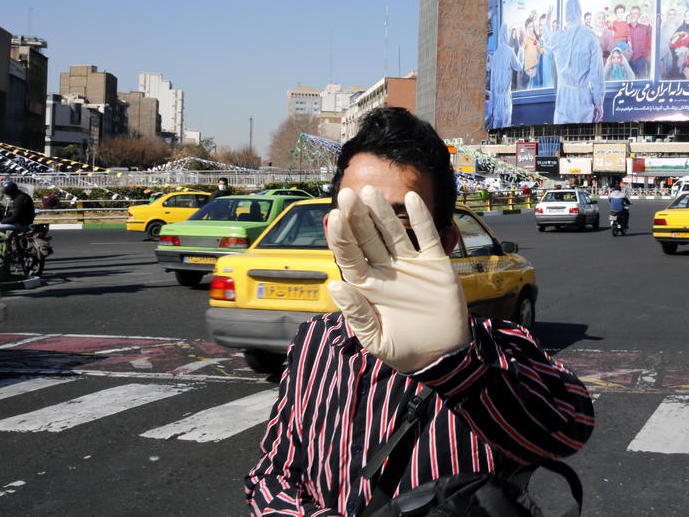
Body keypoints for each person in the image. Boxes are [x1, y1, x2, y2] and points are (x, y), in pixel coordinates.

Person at [244, 107, 594, 514]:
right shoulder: (316, 340)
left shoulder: (494, 347)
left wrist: (452, 366)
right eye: (354, 219)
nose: (369, 239)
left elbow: (567, 429)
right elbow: (273, 471)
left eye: (396, 224)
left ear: (443, 241)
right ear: (331, 229)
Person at [542, 0, 605, 124]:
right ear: (580, 12)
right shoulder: (590, 36)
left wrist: (548, 18)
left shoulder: (559, 37)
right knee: (582, 140)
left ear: (566, 15)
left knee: (562, 140)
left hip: (563, 99)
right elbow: (596, 74)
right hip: (583, 100)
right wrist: (598, 102)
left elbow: (546, 37)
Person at [487, 23, 524, 129]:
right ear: (506, 35)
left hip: (496, 99)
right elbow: (519, 67)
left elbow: (492, 81)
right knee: (506, 126)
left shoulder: (496, 54)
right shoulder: (509, 52)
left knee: (496, 126)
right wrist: (521, 54)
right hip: (505, 97)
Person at [627, 5, 652, 79]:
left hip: (640, 60)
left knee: (641, 81)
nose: (633, 15)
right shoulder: (625, 27)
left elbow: (654, 37)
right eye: (632, 13)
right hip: (628, 60)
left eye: (636, 14)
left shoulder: (645, 28)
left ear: (639, 15)